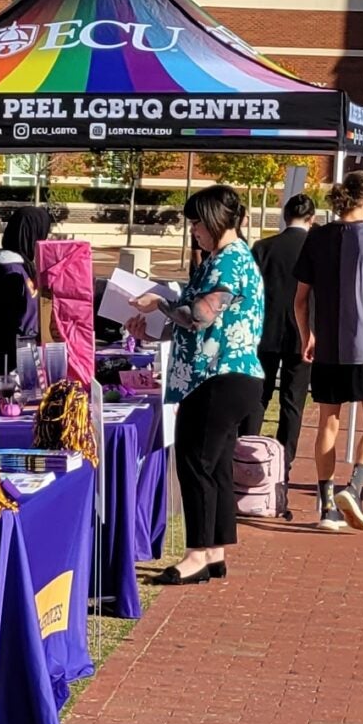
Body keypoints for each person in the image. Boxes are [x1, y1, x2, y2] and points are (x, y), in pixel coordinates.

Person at [149, 182, 265, 586]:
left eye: (197, 222)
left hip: (218, 375)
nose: (193, 230)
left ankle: (197, 552)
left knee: (195, 462)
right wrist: (156, 324)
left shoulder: (227, 262)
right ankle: (214, 550)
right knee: (214, 466)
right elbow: (193, 324)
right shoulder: (225, 259)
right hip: (228, 375)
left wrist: (159, 302)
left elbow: (200, 316)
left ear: (215, 220)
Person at [295, 166, 363, 531]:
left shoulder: (317, 236)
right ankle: (354, 486)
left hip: (327, 343)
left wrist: (307, 333)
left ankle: (326, 505)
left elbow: (300, 299)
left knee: (328, 420)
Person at [252, 193, 316, 487]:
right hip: (303, 333)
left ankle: (247, 448)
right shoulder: (316, 250)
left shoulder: (263, 247)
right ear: (312, 219)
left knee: (259, 395)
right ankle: (284, 461)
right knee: (293, 400)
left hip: (264, 330)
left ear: (284, 215)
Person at [0, 207, 44, 382]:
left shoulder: (13, 265)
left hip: (6, 354)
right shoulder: (14, 272)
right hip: (13, 363)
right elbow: (22, 320)